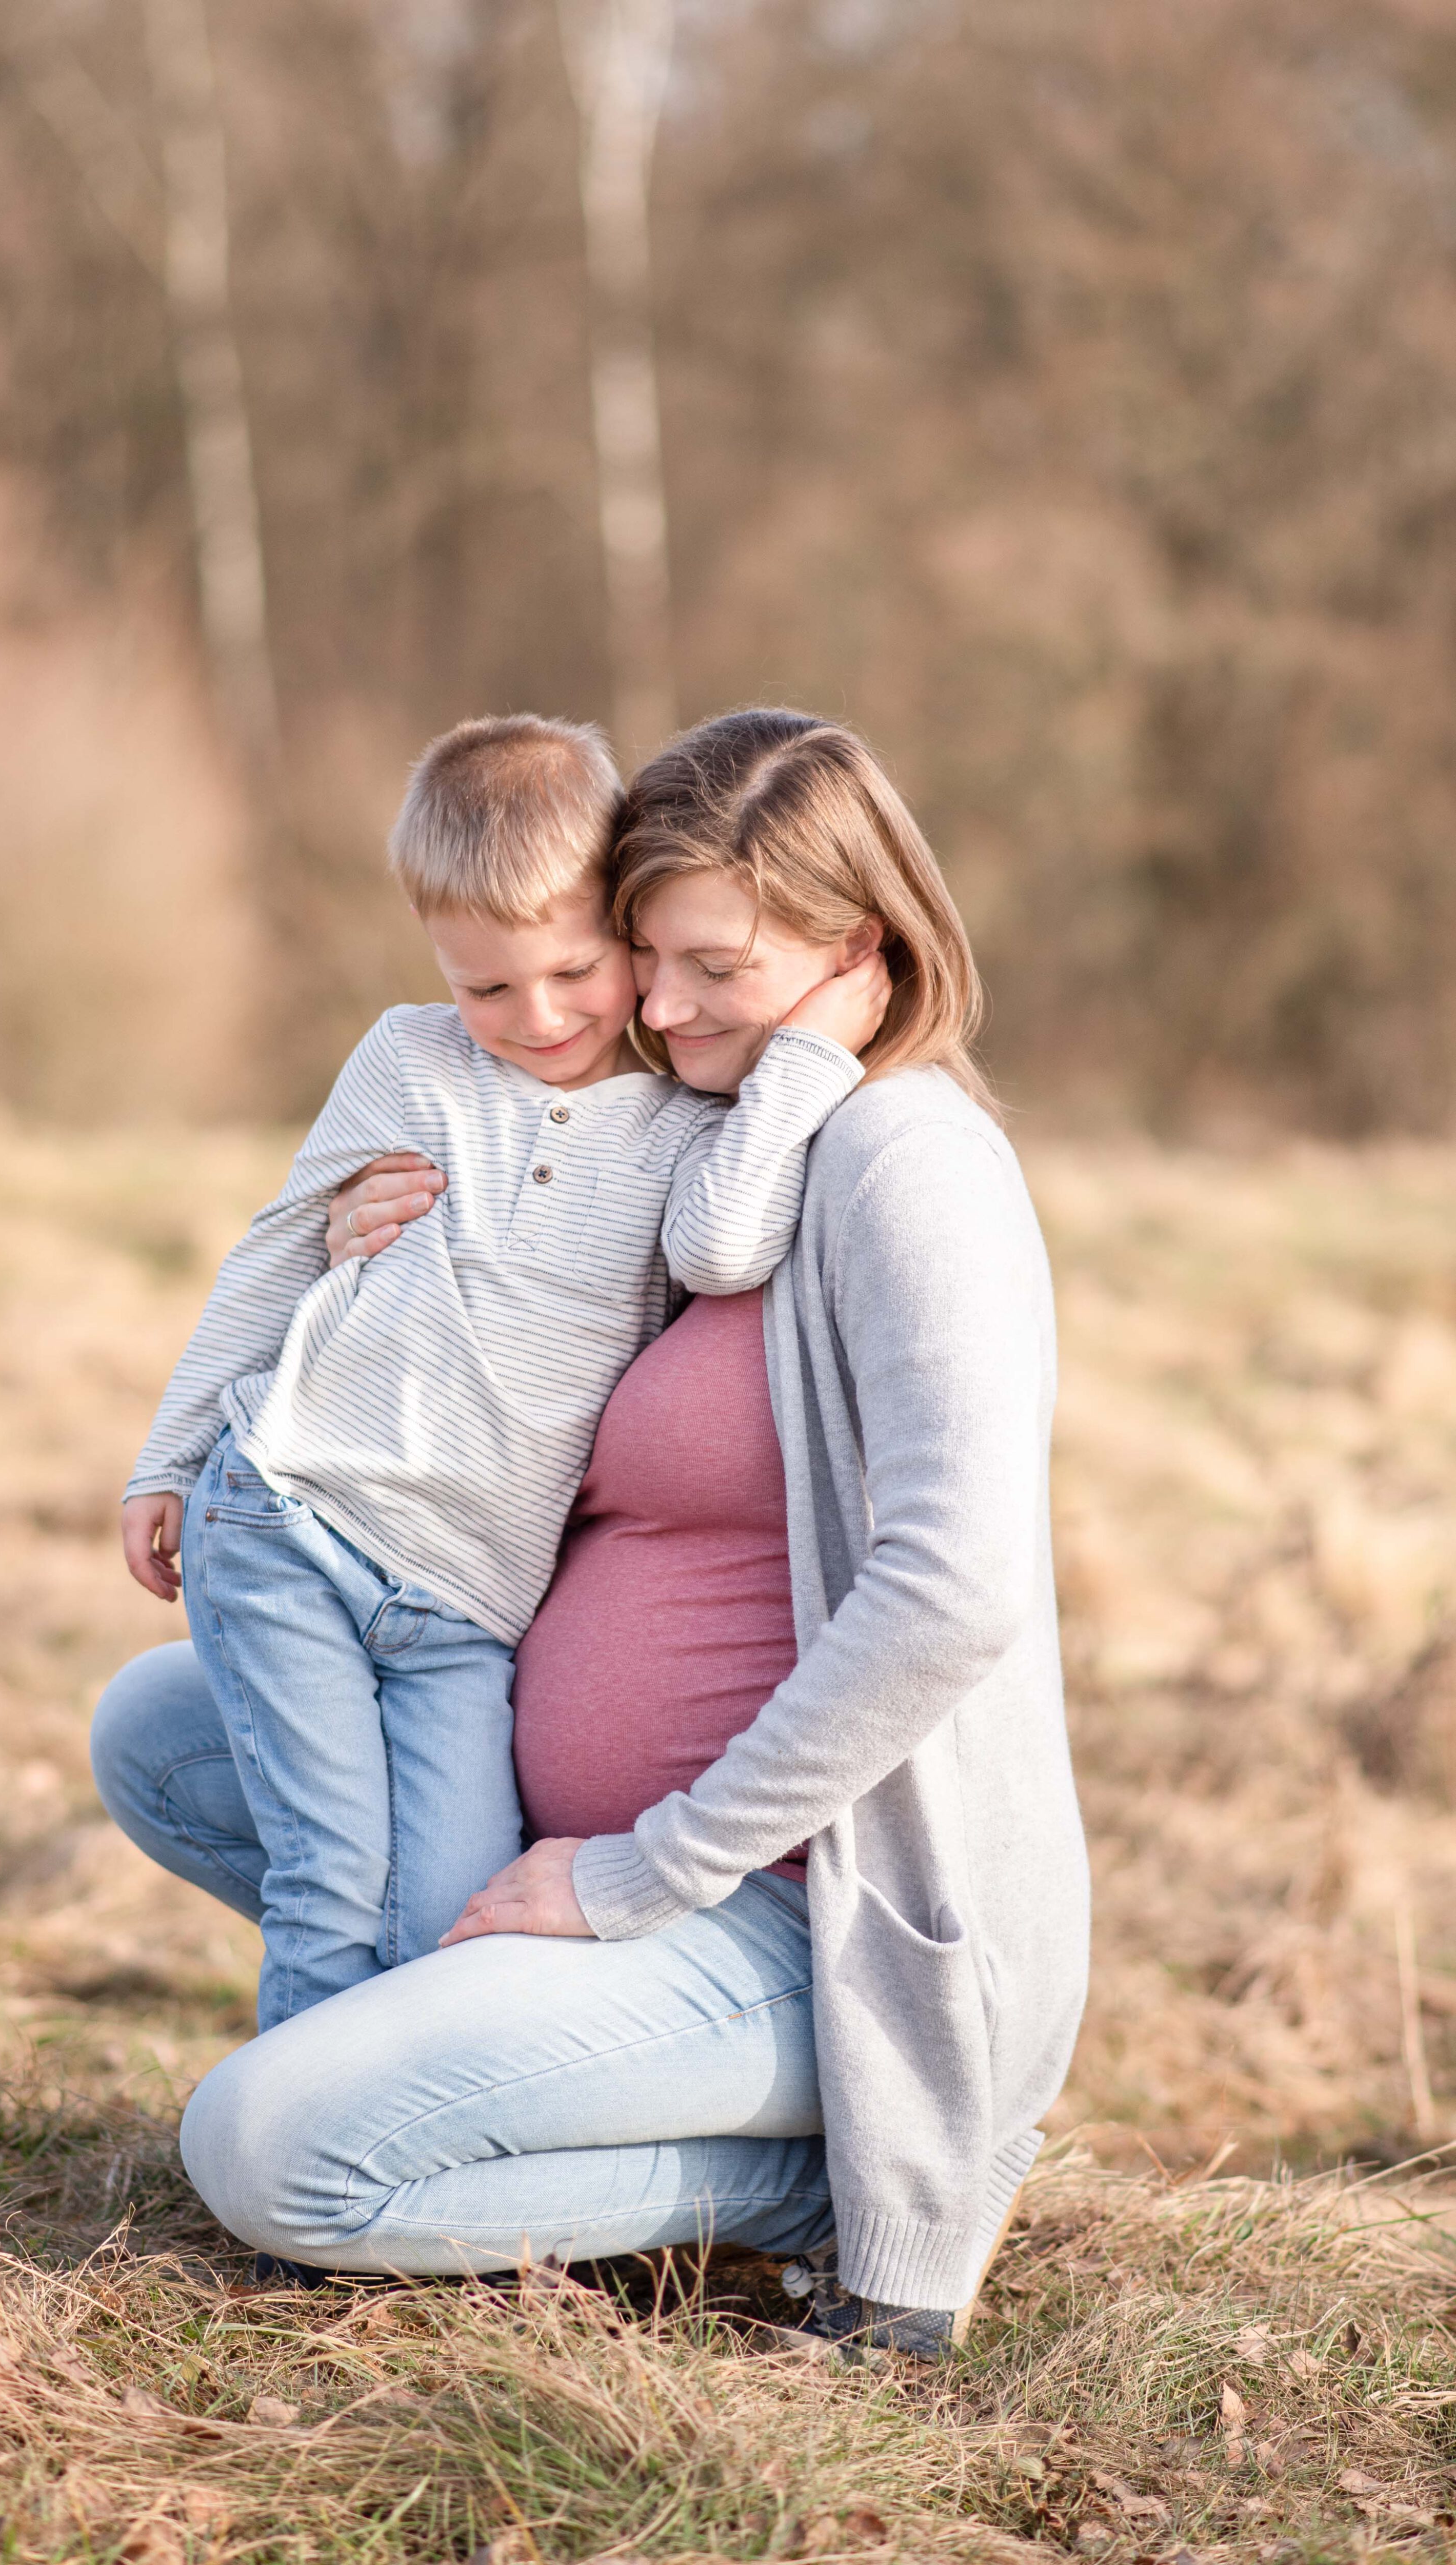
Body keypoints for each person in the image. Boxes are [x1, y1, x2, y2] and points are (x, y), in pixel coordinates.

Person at [91, 708, 1088, 2360]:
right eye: (651, 955)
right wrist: (370, 1246)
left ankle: (812, 2187)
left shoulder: (907, 1164)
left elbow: (949, 1593)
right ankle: (500, 2068)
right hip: (589, 1835)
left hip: (793, 1910)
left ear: (861, 951)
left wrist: (639, 1871)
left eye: (718, 965)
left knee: (269, 2153)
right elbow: (533, 1305)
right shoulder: (698, 1127)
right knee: (159, 1727)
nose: (664, 1004)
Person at [116, 713, 886, 2030]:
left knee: (450, 1913)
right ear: (435, 961)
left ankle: (396, 2165)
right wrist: (167, 1455)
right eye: (485, 989)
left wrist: (806, 1063)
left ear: (623, 931)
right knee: (332, 1878)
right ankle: (302, 2204)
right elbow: (278, 1249)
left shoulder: (687, 1116)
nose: (535, 1019)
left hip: (465, 1607)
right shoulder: (409, 1061)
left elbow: (721, 1245)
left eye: (575, 972)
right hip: (296, 1517)